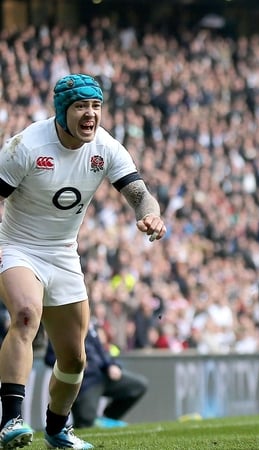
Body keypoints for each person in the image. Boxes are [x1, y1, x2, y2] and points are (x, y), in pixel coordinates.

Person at [0, 74, 166, 450]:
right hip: (17, 246)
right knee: (26, 314)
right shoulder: (25, 145)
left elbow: (140, 195)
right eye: (80, 106)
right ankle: (10, 419)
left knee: (74, 359)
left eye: (95, 106)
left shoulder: (105, 147)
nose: (90, 114)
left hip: (63, 253)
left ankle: (57, 430)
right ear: (62, 111)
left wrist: (151, 215)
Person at [44, 321, 149, 429]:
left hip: (103, 374)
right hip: (84, 383)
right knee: (86, 422)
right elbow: (49, 358)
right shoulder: (60, 328)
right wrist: (72, 362)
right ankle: (85, 422)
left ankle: (108, 417)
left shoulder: (89, 325)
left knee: (139, 386)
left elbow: (101, 349)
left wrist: (111, 365)